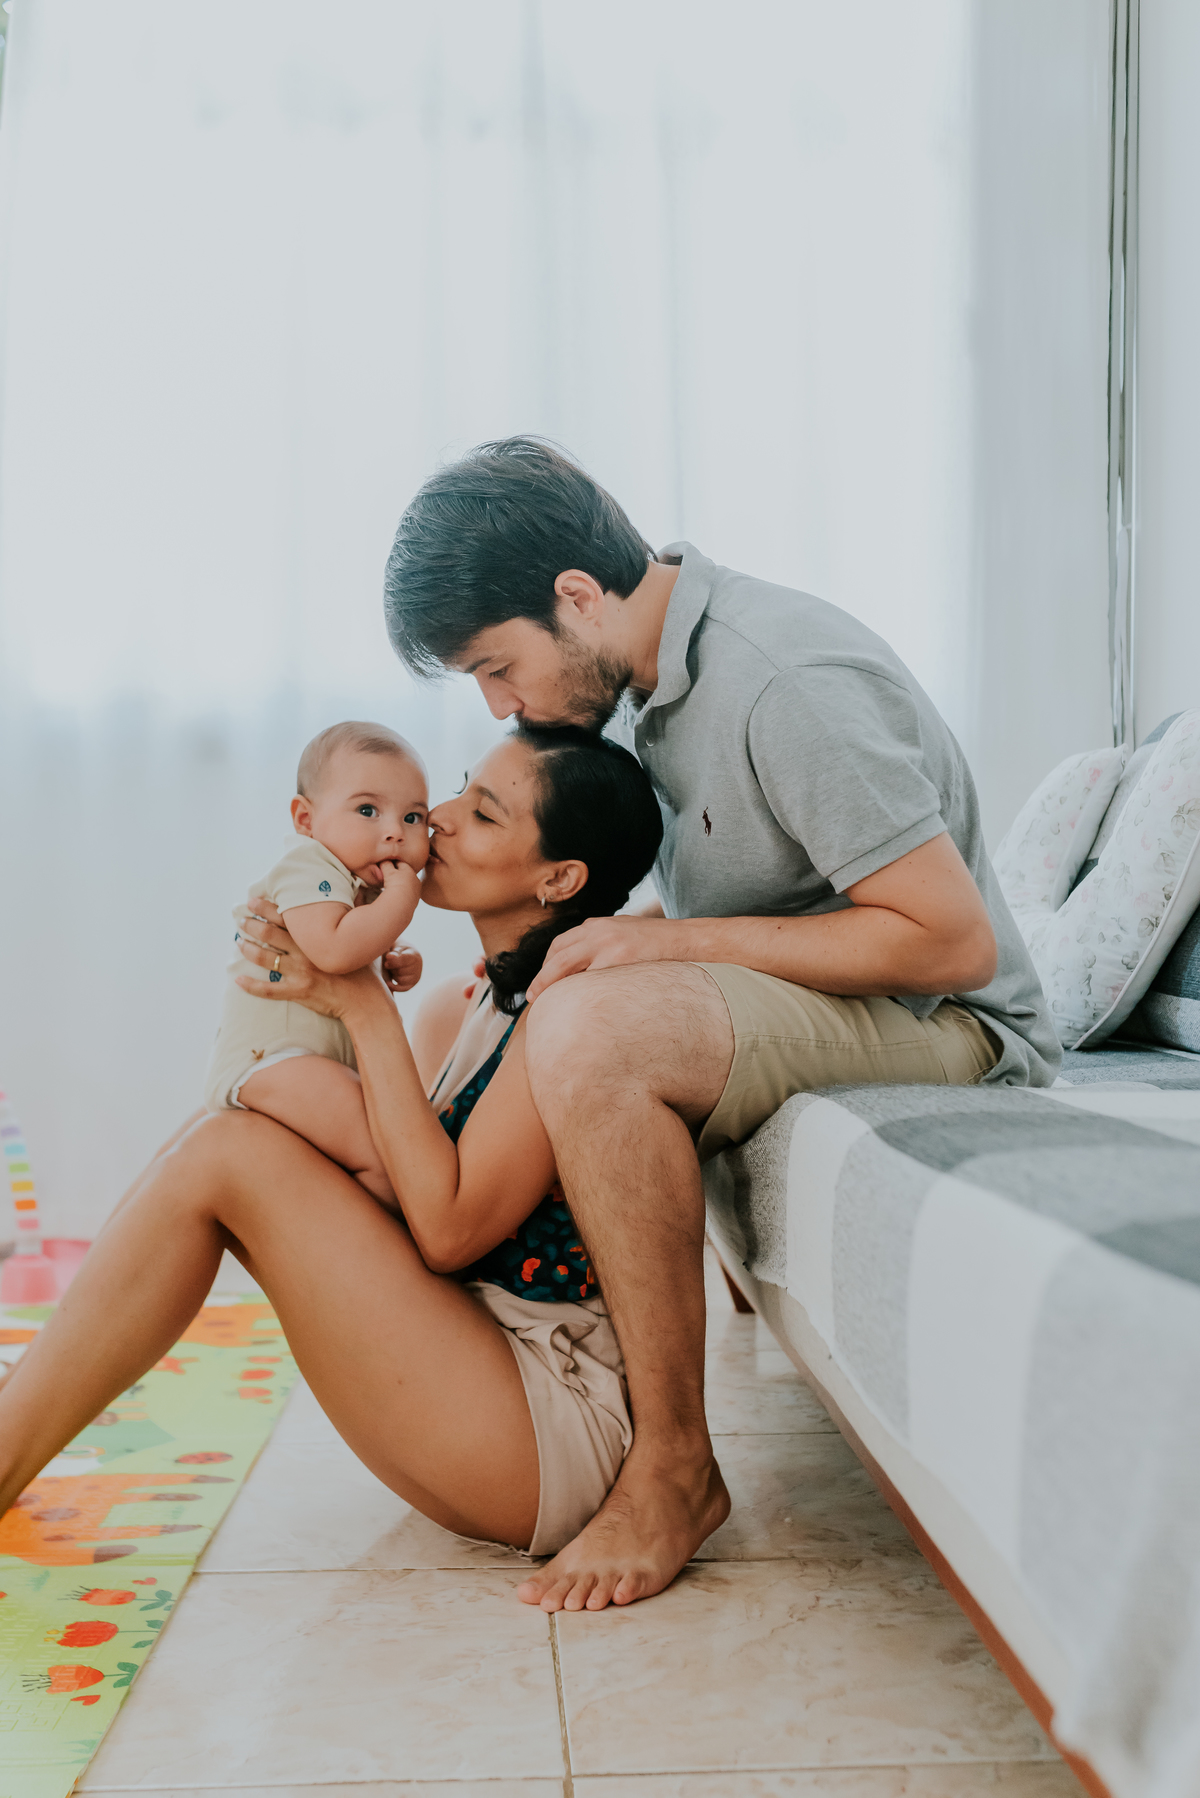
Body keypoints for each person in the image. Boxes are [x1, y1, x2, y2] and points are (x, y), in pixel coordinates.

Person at [382, 434, 1063, 1612]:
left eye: (498, 667)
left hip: (950, 1019)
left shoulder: (782, 678)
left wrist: (664, 946)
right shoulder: (648, 693)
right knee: (576, 990)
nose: (502, 705)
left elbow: (953, 943)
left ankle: (674, 1468)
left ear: (577, 597)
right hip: (842, 995)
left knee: (595, 1030)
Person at [0, 727, 668, 1580]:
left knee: (229, 1150)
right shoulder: (476, 1001)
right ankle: (16, 1415)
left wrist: (358, 1005)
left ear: (559, 879)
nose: (439, 819)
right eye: (462, 787)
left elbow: (447, 1234)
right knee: (227, 1131)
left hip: (553, 1429)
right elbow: (396, 1177)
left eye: (484, 814)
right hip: (481, 1364)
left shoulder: (569, 1015)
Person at [204, 721, 429, 1206]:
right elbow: (333, 950)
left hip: (310, 1061)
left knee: (373, 1153)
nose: (395, 832)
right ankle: (375, 1240)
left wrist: (397, 956)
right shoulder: (308, 865)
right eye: (367, 810)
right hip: (272, 1059)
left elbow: (360, 947)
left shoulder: (360, 887)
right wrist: (402, 903)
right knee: (385, 1156)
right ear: (306, 820)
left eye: (413, 817)